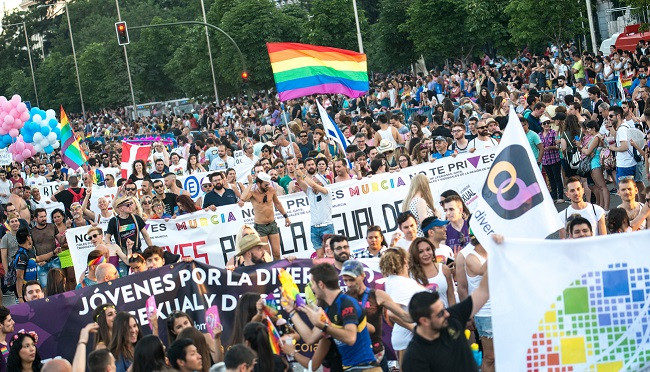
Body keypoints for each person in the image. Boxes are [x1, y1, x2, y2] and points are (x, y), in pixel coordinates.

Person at [283, 263, 379, 372]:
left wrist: (323, 326)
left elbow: (350, 338)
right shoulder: (329, 310)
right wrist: (291, 311)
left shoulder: (345, 302)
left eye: (312, 284)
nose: (312, 288)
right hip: (350, 368)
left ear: (321, 284)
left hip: (365, 367)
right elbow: (310, 338)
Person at [401, 258, 490, 372]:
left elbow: (483, 291)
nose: (447, 313)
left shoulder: (452, 317)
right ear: (424, 321)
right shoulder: (415, 357)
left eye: (444, 308)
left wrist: (496, 251)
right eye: (440, 313)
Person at [340, 259, 412, 371]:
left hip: (377, 353)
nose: (349, 284)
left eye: (352, 280)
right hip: (356, 357)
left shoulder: (377, 295)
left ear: (363, 275)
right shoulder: (343, 299)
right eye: (346, 281)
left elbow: (403, 315)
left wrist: (423, 317)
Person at [380, 248, 426, 365]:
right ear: (405, 261)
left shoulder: (394, 280)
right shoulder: (398, 283)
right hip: (409, 340)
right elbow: (392, 313)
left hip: (409, 339)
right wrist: (415, 329)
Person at [240, 172, 291, 260]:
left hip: (272, 224)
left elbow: (278, 204)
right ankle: (270, 272)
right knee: (267, 255)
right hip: (260, 227)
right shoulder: (253, 193)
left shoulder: (271, 190)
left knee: (277, 254)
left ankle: (277, 272)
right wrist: (250, 184)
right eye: (266, 185)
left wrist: (286, 217)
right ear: (259, 184)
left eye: (268, 184)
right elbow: (242, 198)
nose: (268, 186)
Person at [294, 167, 332, 258]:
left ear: (320, 183)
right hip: (314, 228)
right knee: (319, 256)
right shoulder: (310, 192)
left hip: (326, 227)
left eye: (314, 180)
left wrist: (303, 175)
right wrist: (296, 171)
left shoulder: (327, 191)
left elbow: (313, 185)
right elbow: (300, 182)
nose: (311, 181)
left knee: (331, 254)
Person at [31, 208, 61, 287]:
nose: (44, 218)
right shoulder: (32, 232)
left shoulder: (52, 226)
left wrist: (68, 228)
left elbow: (61, 240)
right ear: (35, 219)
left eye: (45, 216)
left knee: (59, 284)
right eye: (41, 217)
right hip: (41, 263)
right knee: (45, 287)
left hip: (55, 260)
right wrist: (37, 260)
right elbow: (30, 248)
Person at [607, 105, 637, 182]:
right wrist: (610, 125)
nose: (609, 118)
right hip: (626, 163)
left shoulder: (622, 129)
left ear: (618, 116)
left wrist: (612, 148)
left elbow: (624, 147)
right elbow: (616, 136)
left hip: (625, 165)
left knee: (625, 191)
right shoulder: (622, 127)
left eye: (611, 116)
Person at [13, 229, 39, 303]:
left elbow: (39, 258)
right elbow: (19, 277)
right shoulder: (21, 255)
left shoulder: (29, 252)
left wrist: (53, 252)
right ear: (28, 237)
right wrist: (20, 297)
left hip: (32, 288)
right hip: (25, 291)